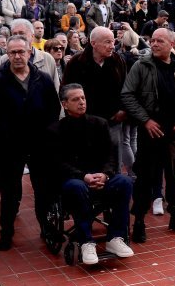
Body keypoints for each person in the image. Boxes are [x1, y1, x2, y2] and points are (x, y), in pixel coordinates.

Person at [121, 28, 175, 241]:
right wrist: (145, 120)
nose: (154, 44)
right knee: (144, 178)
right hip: (151, 133)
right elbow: (127, 95)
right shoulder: (141, 66)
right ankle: (138, 221)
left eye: (159, 41)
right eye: (152, 40)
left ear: (173, 44)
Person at [0, 36, 60, 251]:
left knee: (42, 189)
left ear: (29, 52)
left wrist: (48, 136)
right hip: (10, 146)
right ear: (7, 54)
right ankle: (6, 232)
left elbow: (53, 110)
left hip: (39, 145)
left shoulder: (42, 79)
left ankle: (46, 228)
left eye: (21, 52)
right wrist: (2, 136)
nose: (17, 56)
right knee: (10, 192)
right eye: (13, 52)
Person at [44, 84, 134, 264]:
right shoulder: (55, 131)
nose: (81, 102)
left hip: (100, 177)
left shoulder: (99, 123)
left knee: (125, 181)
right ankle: (86, 241)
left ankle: (116, 238)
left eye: (83, 98)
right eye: (75, 99)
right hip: (74, 181)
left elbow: (110, 156)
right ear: (65, 104)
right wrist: (83, 176)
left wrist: (105, 175)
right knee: (76, 186)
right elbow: (58, 164)